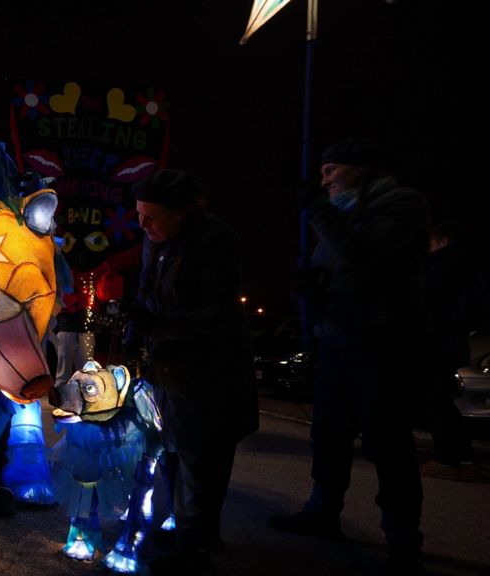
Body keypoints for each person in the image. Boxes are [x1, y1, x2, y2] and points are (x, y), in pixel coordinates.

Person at [269, 138, 430, 573]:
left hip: (382, 341)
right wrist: (311, 289)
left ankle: (402, 538)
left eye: (331, 171)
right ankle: (323, 512)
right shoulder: (340, 211)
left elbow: (360, 258)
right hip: (338, 338)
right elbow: (337, 267)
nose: (323, 181)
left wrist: (318, 214)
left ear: (360, 170)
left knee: (386, 441)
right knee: (329, 433)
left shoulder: (401, 205)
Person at [129, 169, 258, 574]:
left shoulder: (216, 242)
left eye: (151, 217)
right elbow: (151, 294)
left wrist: (158, 327)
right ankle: (192, 532)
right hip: (168, 368)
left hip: (207, 372)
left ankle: (195, 548)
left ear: (182, 212)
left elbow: (216, 315)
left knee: (201, 458)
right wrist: (138, 327)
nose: (142, 225)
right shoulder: (159, 241)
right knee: (172, 449)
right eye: (138, 214)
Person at [420, 222, 478, 480]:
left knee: (436, 401)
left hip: (439, 343)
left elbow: (426, 297)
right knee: (442, 401)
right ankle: (464, 459)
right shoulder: (464, 264)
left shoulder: (445, 265)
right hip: (449, 342)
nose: (428, 250)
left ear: (443, 241)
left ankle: (446, 458)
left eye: (431, 244)